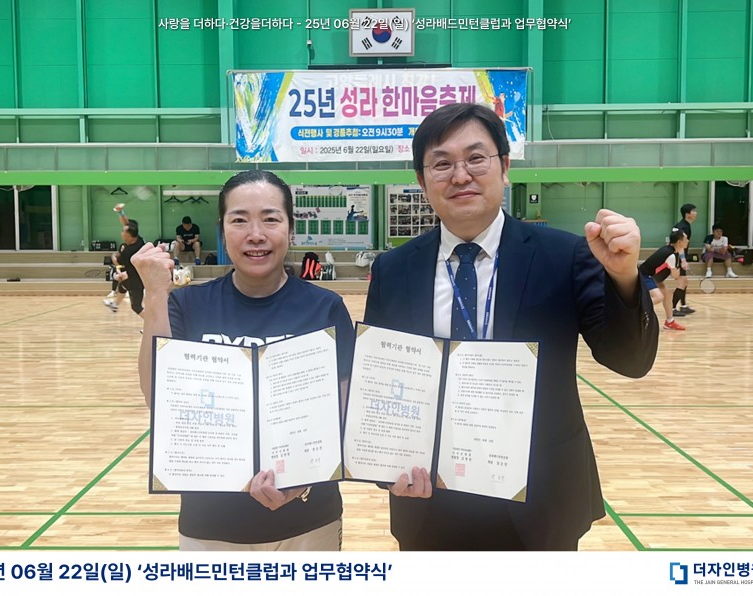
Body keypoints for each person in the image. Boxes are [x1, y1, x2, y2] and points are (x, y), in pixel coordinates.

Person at [363, 102, 658, 551]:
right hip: (430, 499)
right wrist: (387, 468)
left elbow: (630, 360)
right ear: (422, 182)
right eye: (441, 164)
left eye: (475, 158)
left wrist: (624, 277)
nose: (460, 175)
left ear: (504, 168)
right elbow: (383, 386)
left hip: (540, 499)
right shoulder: (393, 269)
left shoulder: (565, 255)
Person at [131, 170, 355, 551]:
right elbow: (158, 397)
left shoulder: (326, 308)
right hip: (211, 524)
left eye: (270, 219)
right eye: (239, 220)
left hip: (308, 520)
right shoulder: (187, 304)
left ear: (291, 229)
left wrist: (301, 482)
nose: (255, 234)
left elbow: (344, 414)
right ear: (222, 231)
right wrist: (155, 293)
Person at [639, 229, 689, 331]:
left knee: (666, 293)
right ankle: (634, 311)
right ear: (679, 242)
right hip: (644, 276)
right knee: (658, 297)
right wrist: (678, 271)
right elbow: (675, 276)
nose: (688, 241)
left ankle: (669, 322)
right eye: (686, 239)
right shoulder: (671, 255)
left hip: (651, 276)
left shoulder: (670, 249)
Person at [103, 204, 145, 316]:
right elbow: (126, 224)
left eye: (123, 232)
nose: (121, 233)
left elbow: (118, 262)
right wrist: (120, 212)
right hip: (137, 274)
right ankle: (115, 304)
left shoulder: (128, 251)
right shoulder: (139, 240)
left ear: (129, 236)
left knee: (136, 307)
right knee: (122, 285)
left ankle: (152, 323)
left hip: (136, 280)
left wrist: (114, 257)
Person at [672, 203, 697, 316]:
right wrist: (683, 260)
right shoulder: (683, 227)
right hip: (677, 257)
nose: (696, 213)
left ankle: (683, 306)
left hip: (678, 256)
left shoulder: (683, 225)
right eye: (693, 211)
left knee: (684, 281)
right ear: (687, 214)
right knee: (682, 281)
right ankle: (672, 308)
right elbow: (679, 245)